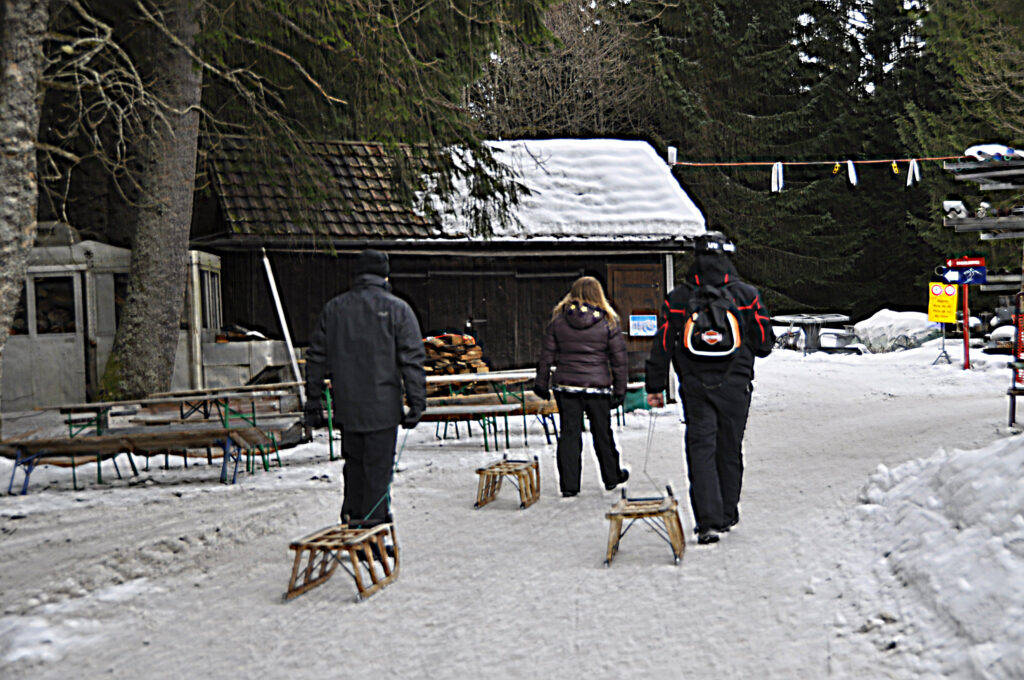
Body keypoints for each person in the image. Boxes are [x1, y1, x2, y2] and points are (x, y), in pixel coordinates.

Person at [644, 231, 774, 545]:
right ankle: (727, 513)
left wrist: (655, 384)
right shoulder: (746, 295)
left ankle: (707, 522)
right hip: (735, 384)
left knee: (701, 449)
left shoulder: (678, 298)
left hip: (695, 384)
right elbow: (764, 343)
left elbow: (662, 343)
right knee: (729, 448)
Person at [304, 249, 427, 533]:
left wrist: (313, 400)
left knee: (355, 467)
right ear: (385, 274)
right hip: (383, 408)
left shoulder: (334, 309)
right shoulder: (398, 309)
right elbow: (411, 359)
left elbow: (316, 357)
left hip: (347, 405)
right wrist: (417, 402)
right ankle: (372, 529)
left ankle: (352, 517)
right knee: (378, 471)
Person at [534, 276, 629, 497]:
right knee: (602, 433)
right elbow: (619, 360)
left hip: (566, 385)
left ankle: (569, 485)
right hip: (598, 387)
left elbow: (547, 355)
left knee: (569, 434)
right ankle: (611, 476)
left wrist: (541, 382)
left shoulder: (558, 320)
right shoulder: (608, 321)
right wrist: (620, 389)